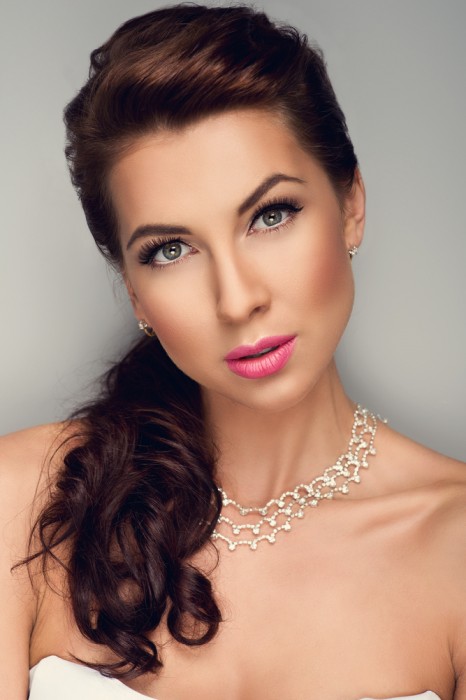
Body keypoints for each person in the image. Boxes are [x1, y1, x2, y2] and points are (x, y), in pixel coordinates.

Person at [0, 4, 465, 699]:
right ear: (135, 292)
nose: (236, 298)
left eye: (270, 215)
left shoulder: (454, 545)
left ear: (351, 205)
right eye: (171, 250)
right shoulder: (26, 499)